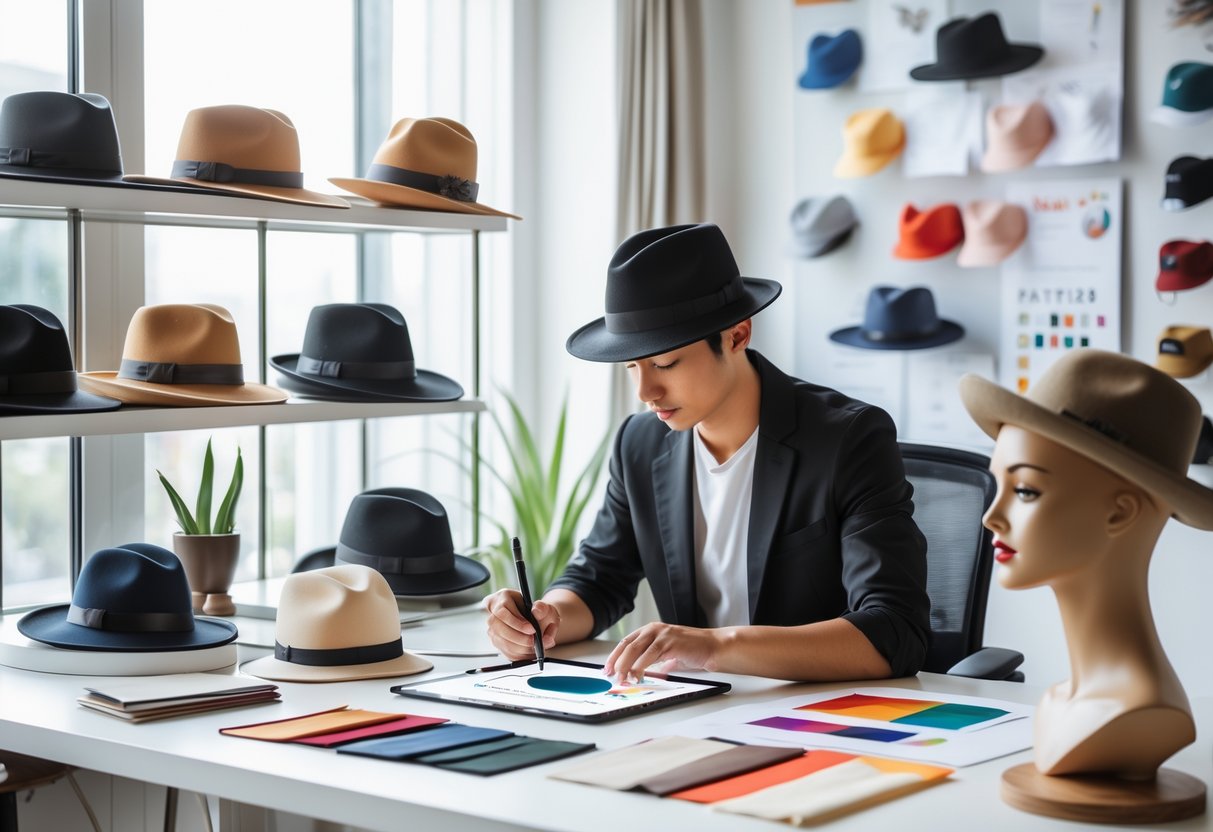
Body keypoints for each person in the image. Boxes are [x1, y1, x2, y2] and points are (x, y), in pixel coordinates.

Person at [486, 222, 930, 682]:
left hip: (820, 712)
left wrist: (715, 646)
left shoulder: (848, 439)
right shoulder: (639, 444)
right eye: (632, 367)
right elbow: (600, 578)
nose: (646, 391)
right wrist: (543, 618)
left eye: (664, 363)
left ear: (737, 336)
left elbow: (895, 629)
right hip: (703, 707)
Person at [960, 349, 1213, 779]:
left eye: (1025, 491)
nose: (990, 516)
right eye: (997, 483)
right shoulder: (1059, 701)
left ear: (1119, 513)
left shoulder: (1144, 712)